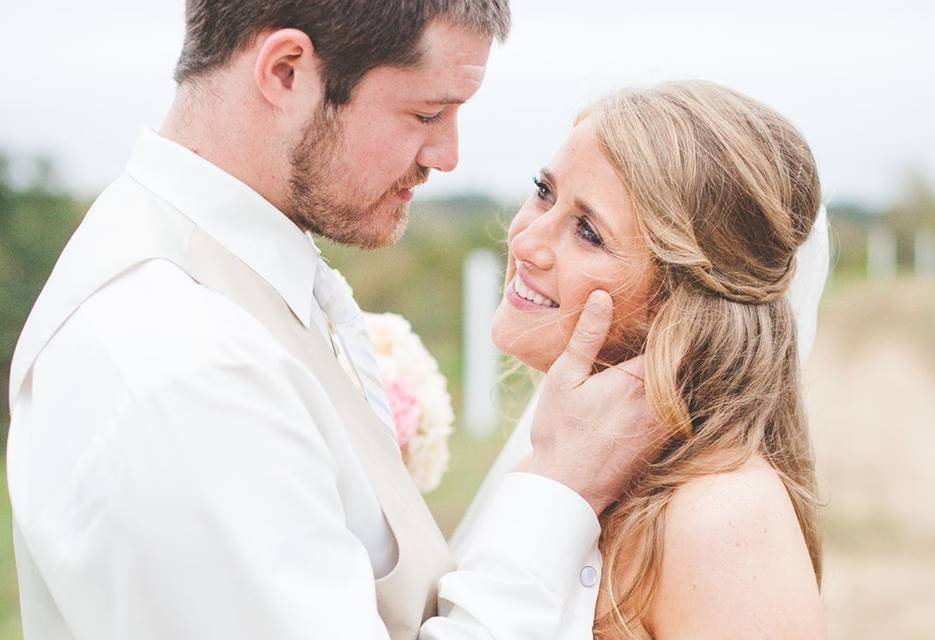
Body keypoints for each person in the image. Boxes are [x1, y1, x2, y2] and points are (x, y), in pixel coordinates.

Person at [5, 2, 657, 639]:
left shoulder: (227, 287)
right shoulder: (181, 359)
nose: (447, 154)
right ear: (286, 71)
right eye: (427, 112)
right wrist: (560, 486)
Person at [458, 81, 831, 638]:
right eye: (543, 191)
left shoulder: (722, 515)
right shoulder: (557, 466)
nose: (526, 242)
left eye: (588, 232)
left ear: (681, 301)